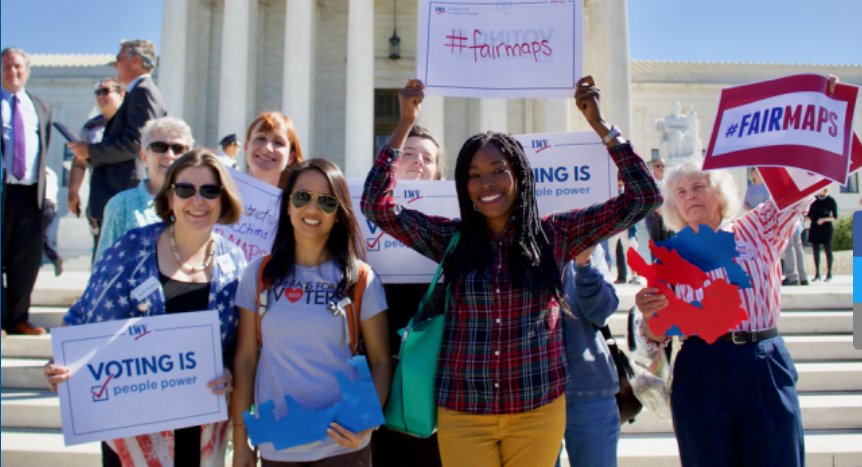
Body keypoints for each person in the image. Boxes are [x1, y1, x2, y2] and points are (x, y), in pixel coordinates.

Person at [362, 77, 662, 467]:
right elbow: (375, 205)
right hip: (464, 411)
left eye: (497, 170)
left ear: (519, 174)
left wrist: (602, 127)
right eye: (473, 174)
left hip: (536, 408)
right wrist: (404, 124)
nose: (486, 182)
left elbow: (645, 196)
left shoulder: (557, 234)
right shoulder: (450, 240)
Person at [43, 149, 247, 467]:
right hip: (132, 429)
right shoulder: (131, 248)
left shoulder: (235, 263)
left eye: (210, 190)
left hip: (202, 424)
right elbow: (87, 315)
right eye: (185, 189)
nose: (198, 200)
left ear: (224, 199)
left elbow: (241, 347)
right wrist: (62, 363)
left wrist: (230, 373)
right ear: (169, 197)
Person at [635, 158, 811, 467]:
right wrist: (650, 315)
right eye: (681, 191)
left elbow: (797, 193)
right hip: (701, 367)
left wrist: (769, 147)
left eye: (698, 187)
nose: (690, 196)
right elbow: (656, 337)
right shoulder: (669, 256)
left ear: (721, 192)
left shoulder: (758, 228)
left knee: (778, 457)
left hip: (760, 359)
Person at [232, 158, 390, 467]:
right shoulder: (257, 274)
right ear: (288, 204)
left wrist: (367, 423)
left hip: (344, 449)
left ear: (338, 214)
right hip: (278, 446)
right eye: (302, 197)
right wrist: (240, 442)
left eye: (327, 201)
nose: (312, 209)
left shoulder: (361, 279)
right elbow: (246, 360)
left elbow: (382, 360)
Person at [373, 121, 446, 467]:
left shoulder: (453, 222)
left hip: (432, 358)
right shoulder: (366, 214)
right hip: (382, 352)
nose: (418, 162)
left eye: (428, 158)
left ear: (437, 172)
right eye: (409, 154)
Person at [67, 39, 168, 257]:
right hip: (119, 193)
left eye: (118, 59)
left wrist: (90, 152)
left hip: (124, 191)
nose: (115, 65)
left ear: (135, 60)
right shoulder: (140, 92)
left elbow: (135, 143)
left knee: (118, 259)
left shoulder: (143, 91)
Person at [1, 47, 53, 337]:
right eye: (7, 67)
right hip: (2, 192)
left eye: (18, 67)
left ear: (27, 70)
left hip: (31, 194)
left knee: (27, 259)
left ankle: (20, 319)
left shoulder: (40, 107)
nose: (13, 72)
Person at [554, 244, 621, 467]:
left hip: (590, 390)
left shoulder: (587, 242)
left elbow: (602, 312)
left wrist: (584, 264)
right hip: (533, 393)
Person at [94, 116, 194, 261]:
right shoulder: (122, 205)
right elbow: (103, 269)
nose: (169, 155)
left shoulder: (203, 202)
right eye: (159, 147)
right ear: (144, 157)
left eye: (178, 149)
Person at [67, 78, 126, 218]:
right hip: (99, 198)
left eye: (105, 91)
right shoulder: (91, 126)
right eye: (97, 92)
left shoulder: (131, 124)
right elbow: (80, 161)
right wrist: (73, 191)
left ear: (121, 94)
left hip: (127, 195)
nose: (100, 96)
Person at [243, 112, 304, 188]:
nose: (267, 148)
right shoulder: (224, 196)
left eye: (278, 142)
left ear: (290, 158)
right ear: (246, 147)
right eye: (260, 139)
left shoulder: (296, 199)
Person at [645, 159, 673, 261]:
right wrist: (658, 210)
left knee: (669, 243)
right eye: (658, 166)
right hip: (653, 216)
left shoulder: (669, 182)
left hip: (668, 216)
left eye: (663, 166)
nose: (661, 168)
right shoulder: (650, 182)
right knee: (656, 244)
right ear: (653, 168)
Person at [808, 187, 837, 282]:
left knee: (828, 250)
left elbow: (834, 216)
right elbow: (809, 214)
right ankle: (817, 274)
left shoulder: (831, 200)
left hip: (826, 228)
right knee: (815, 251)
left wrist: (824, 219)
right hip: (815, 227)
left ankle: (829, 274)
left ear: (825, 190)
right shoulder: (814, 200)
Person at [42, 166, 63, 276]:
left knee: (40, 238)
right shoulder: (51, 172)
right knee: (41, 237)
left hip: (43, 205)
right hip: (52, 206)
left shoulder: (41, 171)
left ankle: (55, 257)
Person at [782, 213, 808, 286]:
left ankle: (792, 277)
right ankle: (803, 277)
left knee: (789, 246)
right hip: (798, 217)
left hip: (789, 217)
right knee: (798, 246)